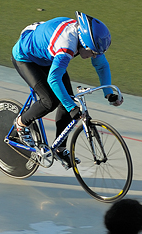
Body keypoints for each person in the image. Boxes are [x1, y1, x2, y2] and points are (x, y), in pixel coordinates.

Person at [11, 11, 122, 168]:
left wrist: (109, 94)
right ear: (83, 44)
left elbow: (102, 65)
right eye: (92, 52)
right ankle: (21, 123)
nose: (94, 56)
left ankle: (60, 149)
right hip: (26, 58)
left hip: (47, 54)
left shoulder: (87, 40)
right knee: (50, 101)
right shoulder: (66, 45)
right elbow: (53, 79)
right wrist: (71, 108)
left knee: (67, 99)